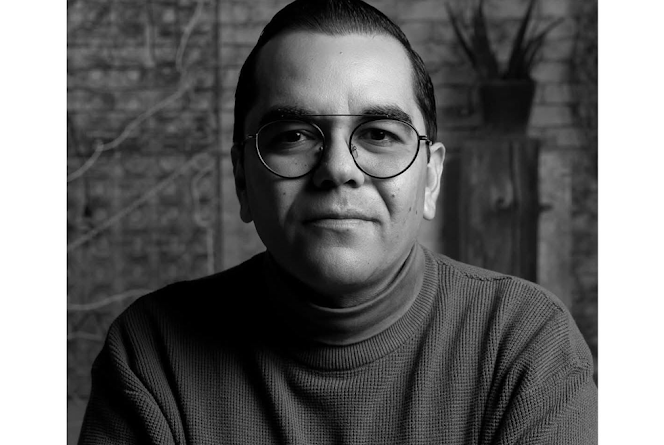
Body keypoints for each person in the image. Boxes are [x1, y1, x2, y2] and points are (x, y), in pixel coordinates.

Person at [78, 0, 597, 443]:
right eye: (294, 136)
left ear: (431, 177)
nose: (338, 169)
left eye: (379, 134)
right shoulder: (153, 354)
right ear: (242, 178)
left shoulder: (526, 346)